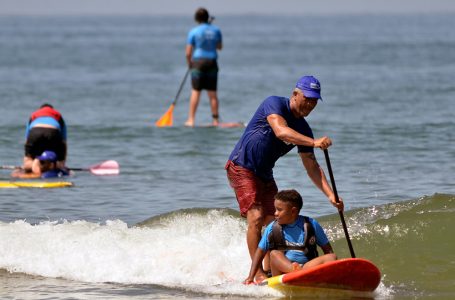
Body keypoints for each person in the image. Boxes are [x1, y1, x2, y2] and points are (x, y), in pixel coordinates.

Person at [225, 75, 344, 282]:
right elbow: (281, 132)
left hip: (265, 173)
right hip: (241, 167)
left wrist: (331, 195)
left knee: (276, 222)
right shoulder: (274, 104)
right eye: (307, 98)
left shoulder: (304, 129)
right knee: (256, 216)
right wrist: (314, 142)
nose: (310, 104)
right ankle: (258, 275)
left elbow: (312, 167)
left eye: (315, 101)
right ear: (295, 94)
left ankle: (273, 270)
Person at [244, 189, 337, 284]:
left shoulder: (311, 224)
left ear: (293, 211)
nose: (275, 213)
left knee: (331, 257)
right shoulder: (272, 227)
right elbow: (259, 253)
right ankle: (295, 270)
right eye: (275, 209)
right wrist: (250, 277)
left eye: (279, 210)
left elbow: (327, 249)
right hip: (281, 273)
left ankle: (300, 272)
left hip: (306, 268)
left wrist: (332, 274)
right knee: (274, 254)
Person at [184, 7, 223, 127]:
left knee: (196, 92)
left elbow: (188, 52)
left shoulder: (193, 31)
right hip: (212, 62)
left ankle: (191, 120)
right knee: (213, 94)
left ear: (196, 19)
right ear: (207, 17)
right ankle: (215, 120)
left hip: (198, 63)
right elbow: (219, 47)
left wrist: (189, 63)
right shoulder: (216, 30)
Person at [22, 103, 67, 174]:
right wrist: (62, 162)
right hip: (53, 132)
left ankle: (32, 164)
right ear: (52, 109)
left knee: (28, 160)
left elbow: (27, 138)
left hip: (35, 132)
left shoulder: (34, 114)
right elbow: (64, 141)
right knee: (58, 161)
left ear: (40, 109)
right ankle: (56, 166)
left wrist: (28, 157)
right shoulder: (58, 115)